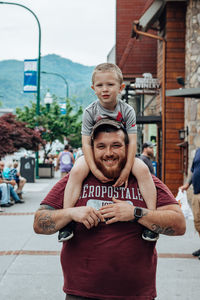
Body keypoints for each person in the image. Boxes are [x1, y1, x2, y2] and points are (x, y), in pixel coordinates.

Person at [33, 119, 186, 300]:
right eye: (101, 146)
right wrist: (71, 213)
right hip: (81, 294)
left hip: (136, 295)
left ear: (127, 148)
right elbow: (39, 223)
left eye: (116, 145)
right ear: (91, 150)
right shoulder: (76, 179)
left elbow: (179, 225)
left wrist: (136, 213)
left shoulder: (144, 180)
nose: (109, 153)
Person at [59, 63, 157, 243]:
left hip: (123, 153)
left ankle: (150, 220)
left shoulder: (127, 110)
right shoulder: (90, 111)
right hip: (93, 154)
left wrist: (127, 169)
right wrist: (94, 170)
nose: (105, 89)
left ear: (120, 88)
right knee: (76, 171)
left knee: (143, 170)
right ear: (93, 88)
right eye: (100, 85)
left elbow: (133, 142)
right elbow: (86, 144)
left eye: (110, 85)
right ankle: (68, 219)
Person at [180, 147, 200, 259]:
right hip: (196, 193)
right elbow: (193, 170)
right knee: (198, 223)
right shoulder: (198, 151)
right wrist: (187, 184)